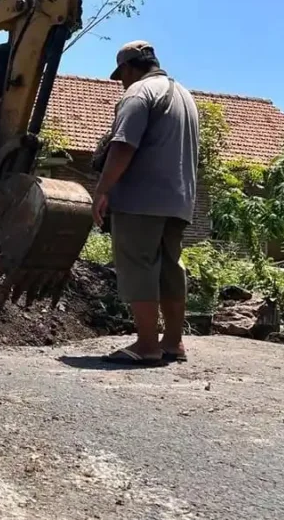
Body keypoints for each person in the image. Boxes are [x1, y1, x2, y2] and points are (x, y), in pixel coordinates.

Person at [92, 40, 200, 366]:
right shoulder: (185, 96)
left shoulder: (139, 93)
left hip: (141, 200)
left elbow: (123, 145)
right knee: (170, 267)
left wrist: (102, 190)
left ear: (128, 68)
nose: (121, 81)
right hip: (177, 201)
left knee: (137, 265)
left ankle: (147, 345)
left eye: (121, 74)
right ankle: (173, 342)